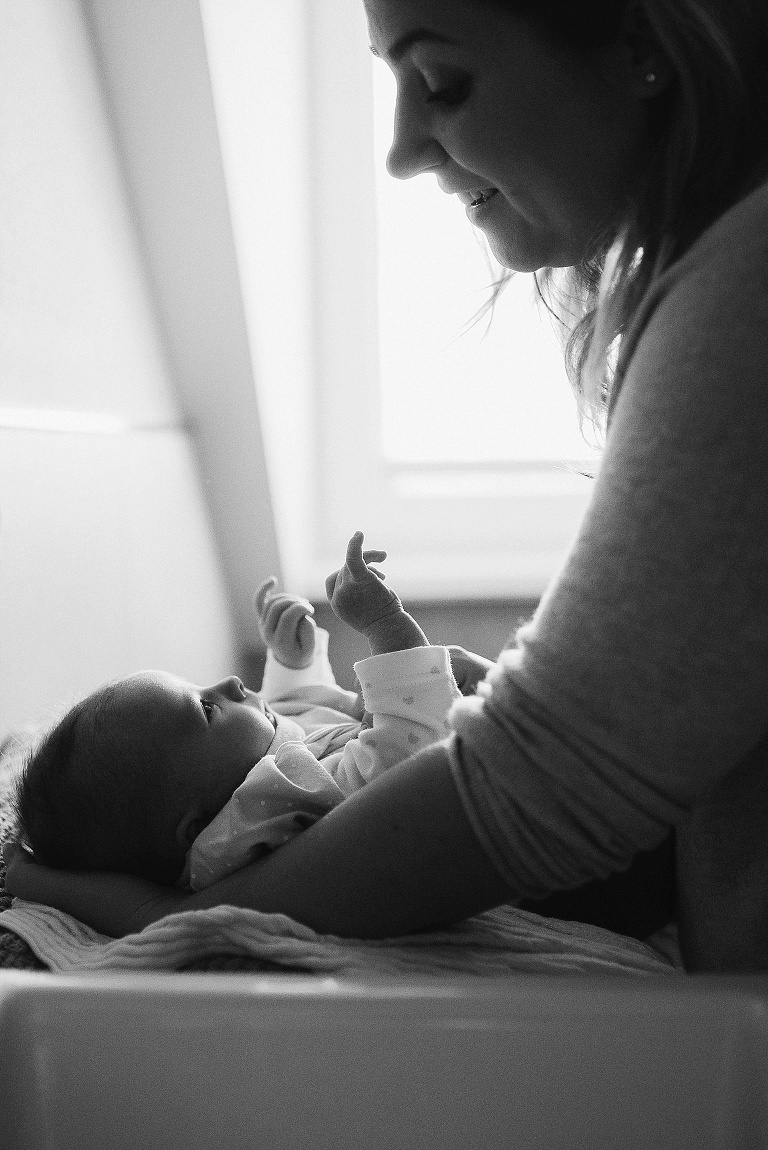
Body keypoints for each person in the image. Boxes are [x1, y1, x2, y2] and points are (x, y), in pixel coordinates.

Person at [6, 0, 768, 972]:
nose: (403, 151)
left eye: (443, 82)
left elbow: (542, 788)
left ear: (642, 46)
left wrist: (168, 908)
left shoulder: (745, 289)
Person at [12, 532, 459, 889]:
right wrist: (388, 627)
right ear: (200, 824)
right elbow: (407, 759)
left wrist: (292, 662)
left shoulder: (253, 768)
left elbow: (295, 717)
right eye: (207, 708)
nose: (228, 682)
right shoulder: (265, 809)